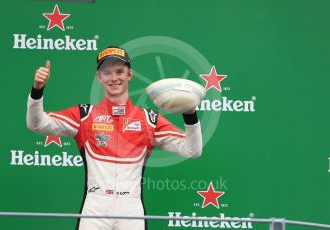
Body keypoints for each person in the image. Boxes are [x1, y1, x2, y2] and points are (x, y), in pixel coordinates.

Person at [26, 46, 202, 230]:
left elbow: (193, 150)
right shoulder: (84, 115)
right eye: (107, 72)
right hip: (95, 207)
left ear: (130, 75)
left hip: (130, 208)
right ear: (98, 77)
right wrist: (37, 90)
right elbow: (37, 124)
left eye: (120, 71)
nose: (114, 78)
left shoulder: (148, 120)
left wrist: (190, 113)